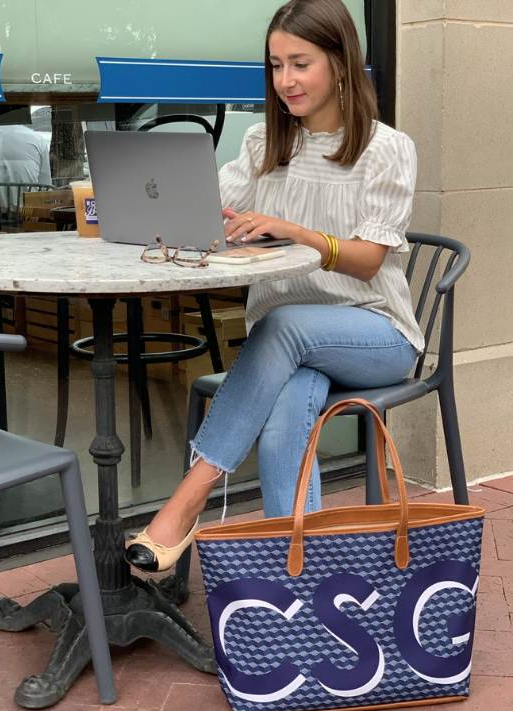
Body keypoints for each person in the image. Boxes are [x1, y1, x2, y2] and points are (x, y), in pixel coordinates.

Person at [125, 0, 424, 573]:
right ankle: (303, 582)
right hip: (287, 351)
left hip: (376, 334)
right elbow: (212, 209)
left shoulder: (386, 149)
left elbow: (366, 263)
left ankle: (189, 499)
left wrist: (291, 231)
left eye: (300, 63)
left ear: (340, 63)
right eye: (275, 65)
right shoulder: (265, 147)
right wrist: (180, 210)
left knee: (284, 325)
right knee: (287, 411)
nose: (285, 80)